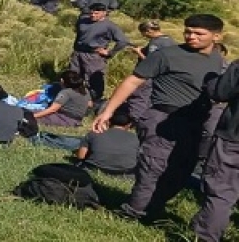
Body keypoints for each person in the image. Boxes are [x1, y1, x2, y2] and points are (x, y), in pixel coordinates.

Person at [92, 14, 225, 222]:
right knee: (153, 169)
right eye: (188, 31)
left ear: (216, 36)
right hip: (163, 119)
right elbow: (132, 82)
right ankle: (131, 214)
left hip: (195, 124)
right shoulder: (167, 55)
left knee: (182, 171)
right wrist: (108, 112)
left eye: (199, 33)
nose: (191, 37)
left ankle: (152, 208)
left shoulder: (218, 59)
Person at [192, 57, 239, 241]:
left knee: (221, 192)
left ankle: (206, 237)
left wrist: (212, 80)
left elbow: (221, 93)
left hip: (233, 138)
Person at [70, 3, 130, 103]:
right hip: (78, 53)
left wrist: (110, 52)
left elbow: (123, 41)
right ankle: (74, 98)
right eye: (92, 13)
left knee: (94, 80)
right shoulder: (82, 21)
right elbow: (79, 34)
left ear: (104, 13)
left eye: (96, 13)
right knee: (73, 76)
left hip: (94, 56)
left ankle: (95, 102)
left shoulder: (110, 26)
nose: (93, 15)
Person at [125, 20, 178, 127]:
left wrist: (139, 52)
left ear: (149, 31)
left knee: (139, 98)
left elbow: (150, 62)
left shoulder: (156, 43)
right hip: (163, 76)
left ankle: (136, 120)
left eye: (143, 33)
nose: (143, 35)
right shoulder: (170, 40)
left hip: (149, 76)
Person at [196, 43, 231, 171]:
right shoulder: (199, 64)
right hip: (198, 103)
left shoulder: (228, 69)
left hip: (216, 105)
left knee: (210, 131)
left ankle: (202, 158)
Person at [76, 104, 138, 175]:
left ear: (108, 120)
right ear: (129, 124)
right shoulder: (135, 139)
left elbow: (80, 156)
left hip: (93, 169)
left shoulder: (94, 133)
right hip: (125, 173)